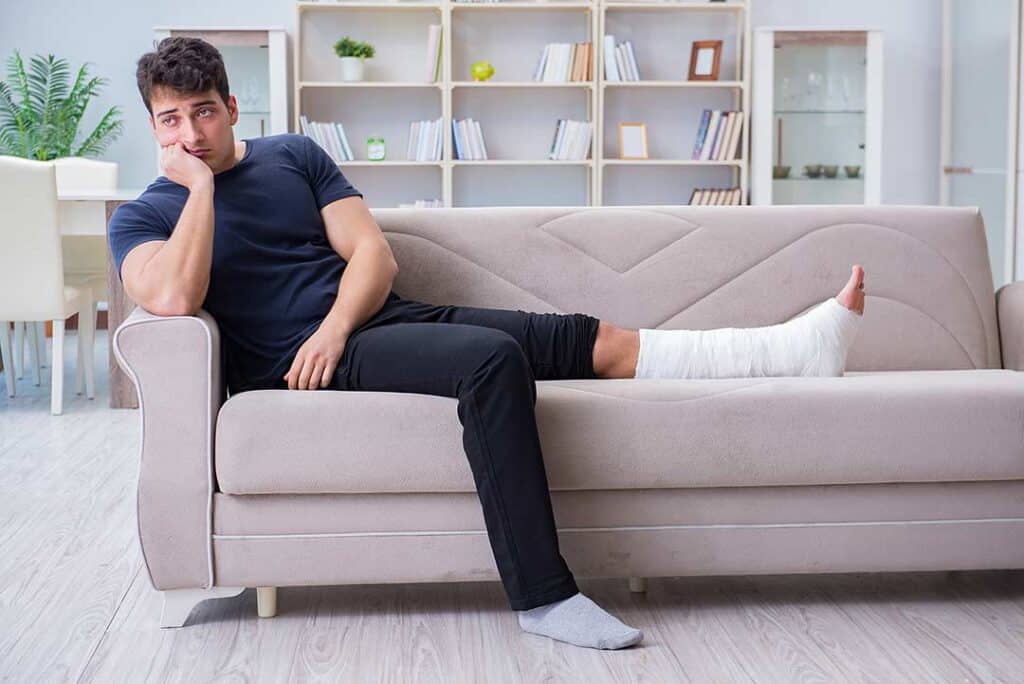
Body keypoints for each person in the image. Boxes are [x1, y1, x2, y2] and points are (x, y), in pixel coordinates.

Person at [109, 37, 866, 652]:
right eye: (171, 121)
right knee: (490, 359)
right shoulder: (143, 218)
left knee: (582, 338)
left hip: (370, 324)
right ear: (154, 127)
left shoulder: (294, 157)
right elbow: (174, 296)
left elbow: (375, 257)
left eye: (203, 114)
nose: (191, 135)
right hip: (301, 366)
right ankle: (544, 596)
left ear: (233, 107)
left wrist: (340, 323)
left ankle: (795, 351)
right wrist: (200, 191)